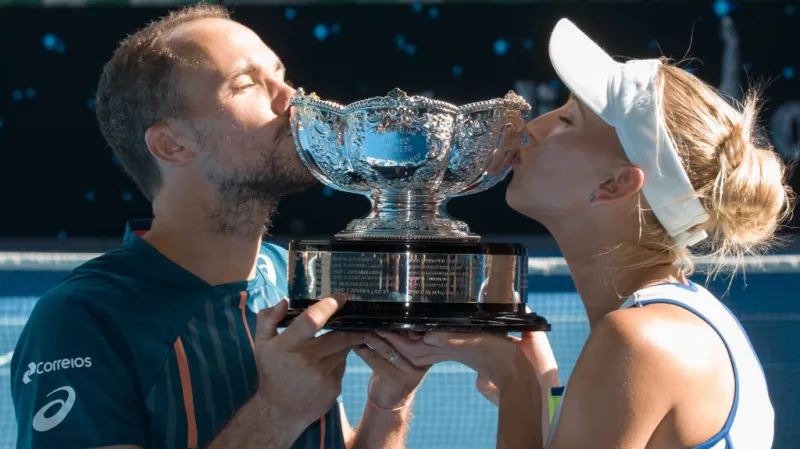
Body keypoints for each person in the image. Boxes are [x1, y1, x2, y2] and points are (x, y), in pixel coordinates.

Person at [10, 4, 427, 449]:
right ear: (172, 145)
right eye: (247, 84)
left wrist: (389, 403)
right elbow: (286, 413)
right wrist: (275, 413)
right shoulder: (82, 319)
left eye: (280, 73)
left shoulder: (296, 276)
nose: (292, 98)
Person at [382, 18, 795, 449]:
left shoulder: (641, 340)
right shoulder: (673, 321)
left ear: (615, 185)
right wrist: (545, 385)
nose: (533, 127)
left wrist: (515, 379)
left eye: (568, 121)